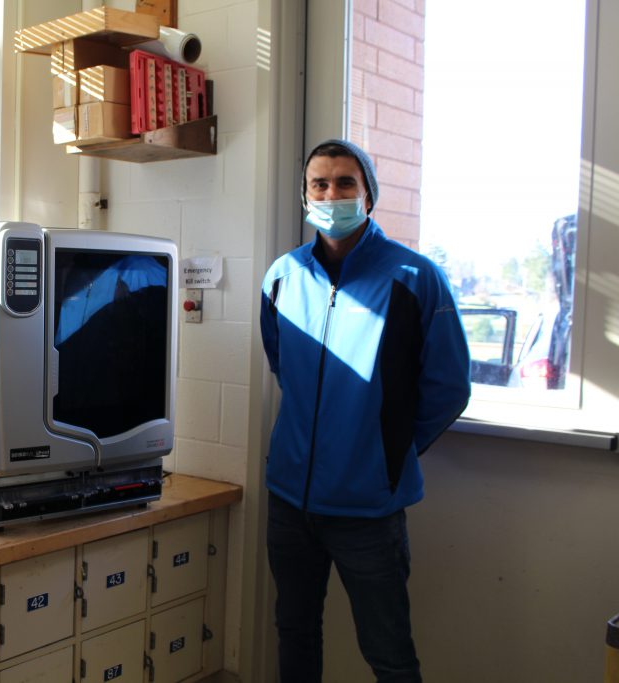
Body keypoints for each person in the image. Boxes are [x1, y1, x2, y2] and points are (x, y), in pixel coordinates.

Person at [259, 139, 470, 682]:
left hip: (368, 511)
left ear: (369, 196)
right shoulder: (282, 276)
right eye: (319, 184)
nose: (332, 194)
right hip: (290, 502)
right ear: (305, 196)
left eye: (345, 183)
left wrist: (387, 447)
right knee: (295, 633)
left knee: (390, 654)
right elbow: (285, 367)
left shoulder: (416, 278)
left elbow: (449, 387)